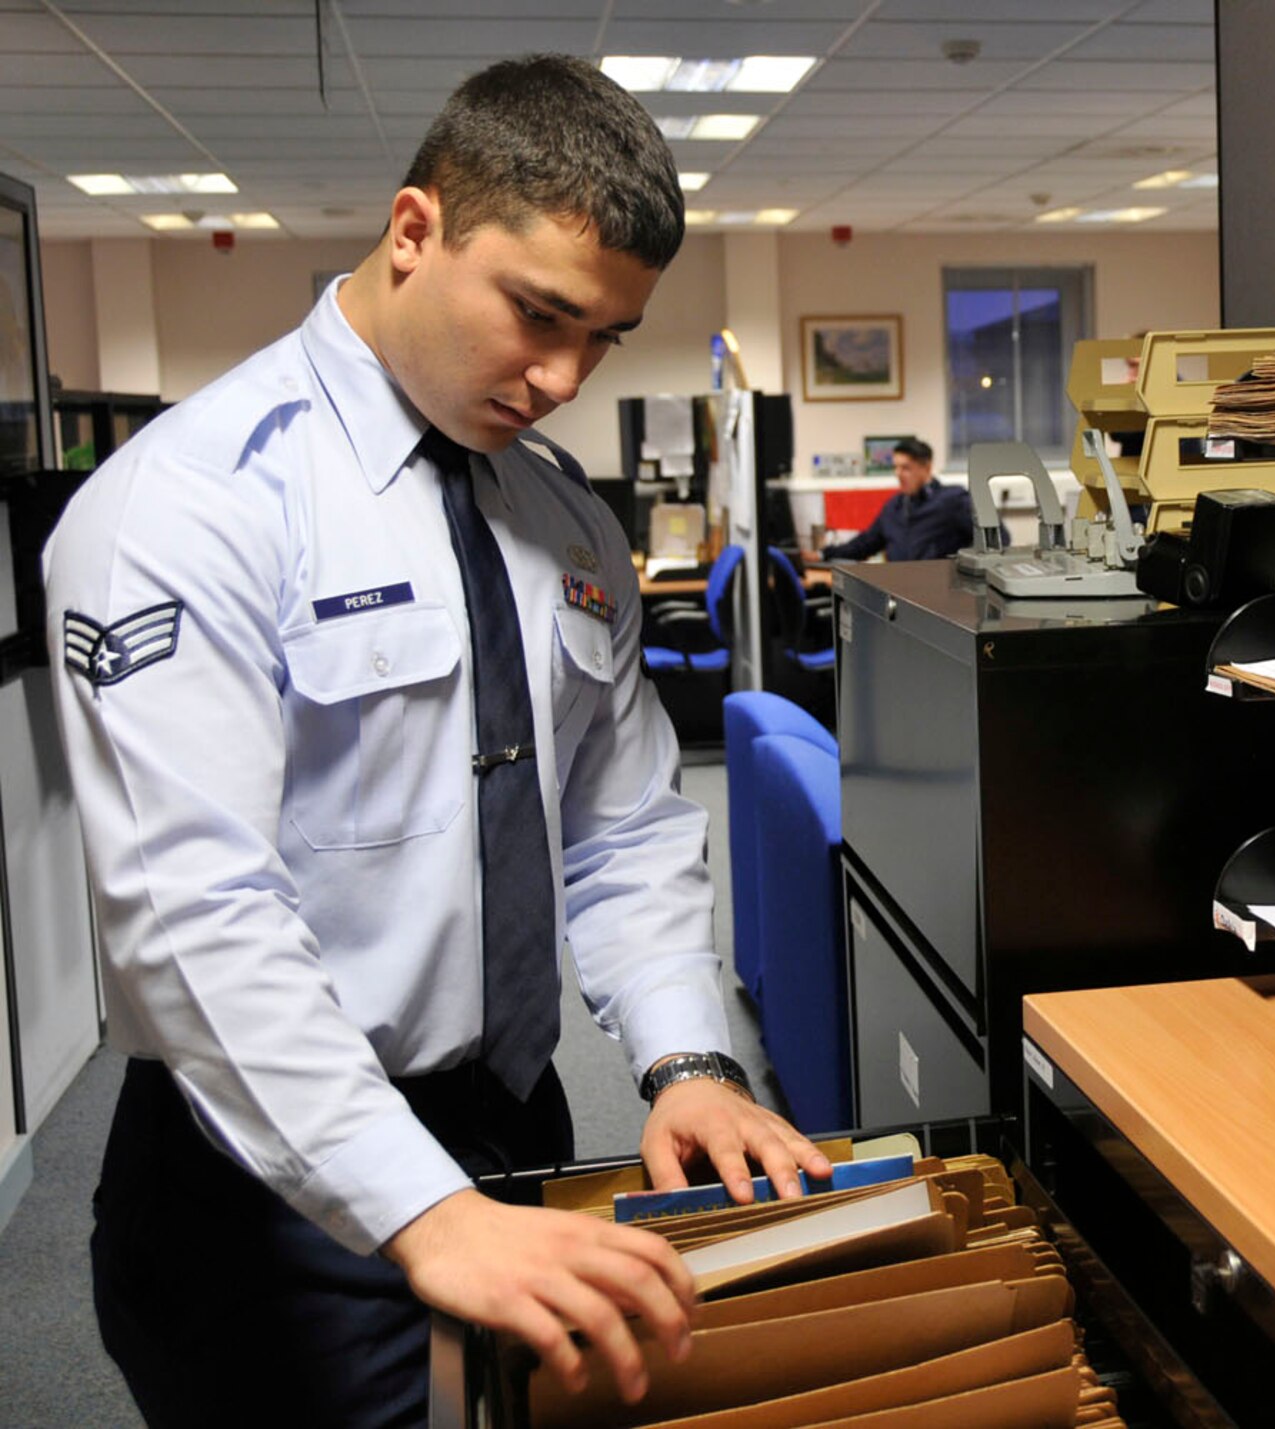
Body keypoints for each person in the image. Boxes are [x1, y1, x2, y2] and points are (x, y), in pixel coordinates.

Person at [43, 54, 830, 1428]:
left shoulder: (564, 520)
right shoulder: (190, 507)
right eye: (539, 315)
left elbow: (622, 824)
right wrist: (418, 1206)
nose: (564, 376)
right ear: (415, 233)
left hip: (511, 1128)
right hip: (268, 1174)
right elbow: (193, 914)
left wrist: (686, 1058)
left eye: (604, 339)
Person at [815, 437, 976, 561]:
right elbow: (864, 545)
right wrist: (823, 554)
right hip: (896, 592)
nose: (898, 474)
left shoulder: (954, 500)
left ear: (926, 467)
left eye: (905, 468)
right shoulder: (893, 507)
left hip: (937, 594)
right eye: (896, 467)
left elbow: (995, 541)